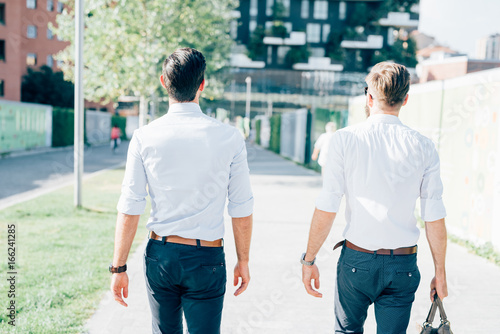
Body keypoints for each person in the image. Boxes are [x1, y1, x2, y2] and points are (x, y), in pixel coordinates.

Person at [109, 47, 254, 334]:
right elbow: (241, 206)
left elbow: (130, 207)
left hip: (160, 254)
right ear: (202, 84)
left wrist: (119, 268)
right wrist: (243, 260)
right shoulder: (230, 138)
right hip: (207, 258)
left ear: (163, 82)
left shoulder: (143, 137)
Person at [301, 62, 448, 333]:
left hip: (357, 261)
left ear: (369, 97)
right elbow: (434, 216)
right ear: (405, 99)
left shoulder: (343, 140)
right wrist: (440, 272)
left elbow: (327, 206)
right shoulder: (424, 146)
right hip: (402, 265)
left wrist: (309, 260)